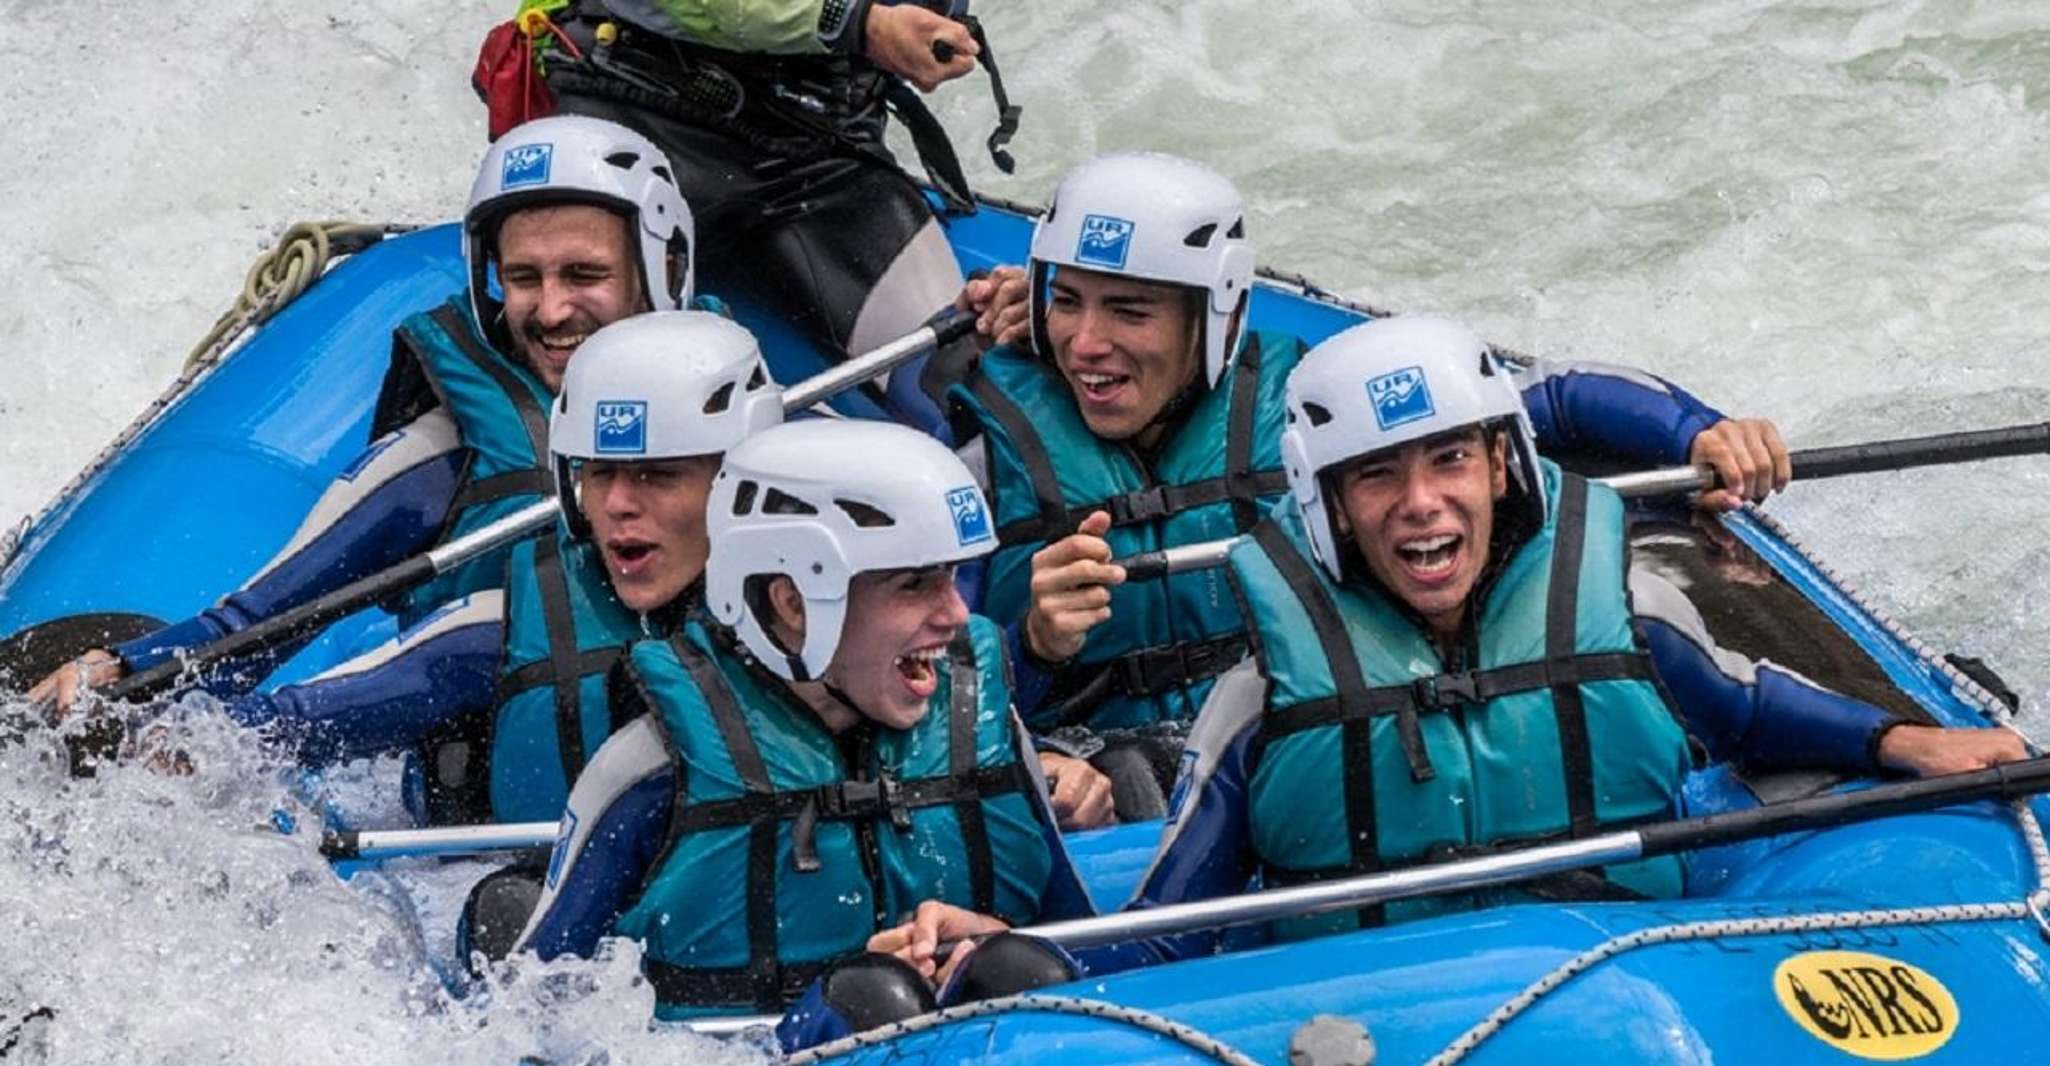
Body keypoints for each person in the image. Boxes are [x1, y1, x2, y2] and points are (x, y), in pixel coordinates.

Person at [868, 315, 2029, 977]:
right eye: (1378, 474)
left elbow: (1748, 712)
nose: (1421, 504)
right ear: (1329, 506)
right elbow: (1180, 915)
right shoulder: (1265, 689)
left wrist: (1905, 740)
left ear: (1500, 471)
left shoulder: (1611, 614)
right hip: (1390, 1003)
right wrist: (1023, 948)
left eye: (1448, 463)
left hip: (1630, 962)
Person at [943, 152, 1793, 818]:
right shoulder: (989, 459)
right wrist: (1035, 647)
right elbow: (919, 697)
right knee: (1122, 778)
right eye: (1069, 303)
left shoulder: (1314, 410)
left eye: (1128, 313)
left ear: (1213, 315)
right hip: (1105, 766)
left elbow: (1557, 399)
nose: (1085, 343)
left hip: (1306, 734)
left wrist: (1699, 433)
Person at [29, 116, 696, 734]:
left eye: (584, 274)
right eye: (524, 278)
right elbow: (260, 620)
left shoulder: (762, 418)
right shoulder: (444, 456)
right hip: (486, 833)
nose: (550, 311)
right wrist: (125, 671)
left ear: (659, 266)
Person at [514, 419, 1094, 1020]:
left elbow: (1102, 968)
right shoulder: (651, 768)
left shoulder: (987, 722)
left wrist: (991, 934)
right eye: (914, 584)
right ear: (794, 603)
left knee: (1015, 967)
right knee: (870, 999)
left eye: (950, 577)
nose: (956, 614)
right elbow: (525, 1020)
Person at [487, 0, 995, 430]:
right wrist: (857, 23)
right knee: (571, 364)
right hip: (639, 112)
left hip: (820, 149)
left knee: (967, 395)